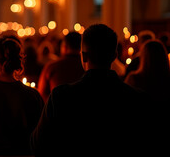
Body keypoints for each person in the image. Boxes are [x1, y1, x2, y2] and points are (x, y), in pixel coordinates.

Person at [30, 24, 154, 156]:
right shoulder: (139, 99)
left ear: (83, 56)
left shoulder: (61, 97)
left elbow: (38, 144)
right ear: (114, 56)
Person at [37, 31, 85, 101]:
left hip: (57, 110)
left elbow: (42, 94)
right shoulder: (86, 67)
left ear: (64, 47)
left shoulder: (52, 67)